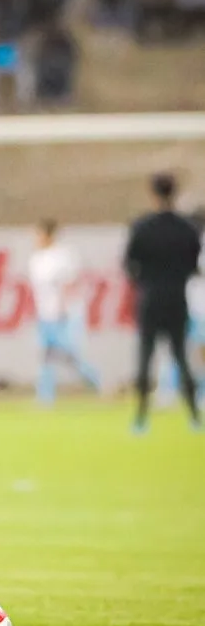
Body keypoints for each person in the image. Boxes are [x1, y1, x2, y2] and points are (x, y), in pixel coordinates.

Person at [124, 172, 202, 434]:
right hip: (177, 298)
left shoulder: (142, 227)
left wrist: (145, 281)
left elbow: (128, 264)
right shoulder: (187, 228)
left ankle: (141, 418)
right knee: (181, 356)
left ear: (153, 193)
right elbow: (194, 265)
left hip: (150, 297)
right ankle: (194, 417)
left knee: (146, 358)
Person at [28, 219, 101, 405]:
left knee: (69, 355)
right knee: (45, 356)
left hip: (62, 315)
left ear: (50, 235)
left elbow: (69, 284)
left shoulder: (62, 256)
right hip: (44, 315)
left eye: (40, 234)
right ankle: (45, 397)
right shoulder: (36, 259)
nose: (36, 238)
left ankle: (96, 381)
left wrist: (62, 308)